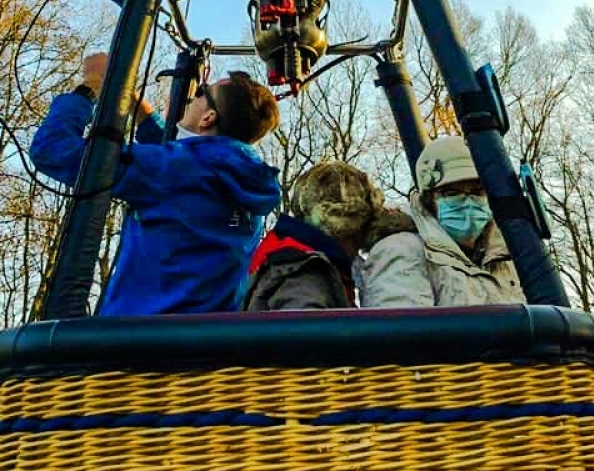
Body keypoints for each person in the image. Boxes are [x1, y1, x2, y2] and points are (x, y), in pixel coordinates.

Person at [30, 55, 281, 316]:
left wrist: (88, 88)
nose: (194, 95)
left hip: (136, 343)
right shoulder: (245, 182)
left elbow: (52, 149)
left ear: (208, 118)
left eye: (203, 93)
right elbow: (185, 176)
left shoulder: (177, 170)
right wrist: (138, 107)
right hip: (203, 348)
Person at [355, 136, 520, 308]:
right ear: (428, 200)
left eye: (477, 191)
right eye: (452, 193)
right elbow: (403, 331)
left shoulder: (508, 256)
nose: (468, 201)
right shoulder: (401, 251)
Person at [245, 161, 383, 310]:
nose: (357, 250)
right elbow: (303, 330)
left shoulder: (291, 260)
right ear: (345, 227)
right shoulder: (305, 271)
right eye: (358, 236)